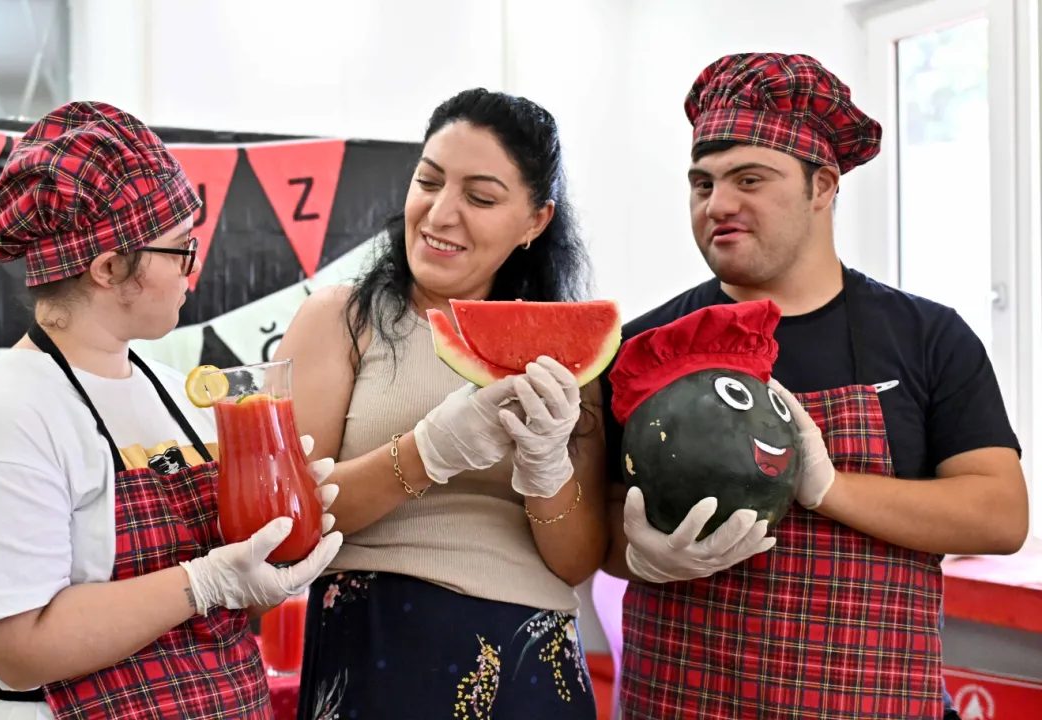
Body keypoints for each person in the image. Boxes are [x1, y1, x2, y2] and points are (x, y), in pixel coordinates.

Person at [598, 52, 1030, 720]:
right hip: (681, 701)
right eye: (702, 183)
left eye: (749, 178)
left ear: (822, 185)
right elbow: (594, 529)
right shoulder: (646, 346)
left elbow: (1000, 516)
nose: (719, 204)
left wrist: (829, 489)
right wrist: (641, 557)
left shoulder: (926, 337)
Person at [0, 101, 343, 720]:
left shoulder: (184, 398)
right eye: (181, 248)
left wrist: (272, 559)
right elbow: (19, 649)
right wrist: (202, 581)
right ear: (110, 267)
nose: (195, 267)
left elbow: (227, 614)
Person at [275, 88, 609, 719]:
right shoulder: (340, 319)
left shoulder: (563, 358)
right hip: (377, 644)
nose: (440, 212)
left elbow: (574, 564)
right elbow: (284, 524)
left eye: (480, 198)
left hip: (534, 659)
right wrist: (426, 453)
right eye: (428, 181)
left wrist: (546, 472)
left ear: (535, 221)